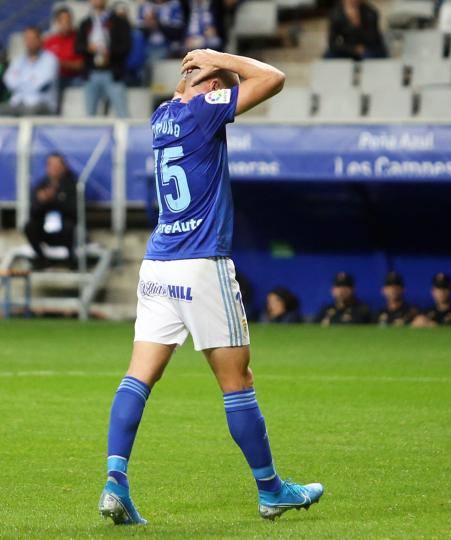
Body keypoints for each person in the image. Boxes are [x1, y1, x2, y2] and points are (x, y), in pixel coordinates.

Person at [97, 48, 324, 526]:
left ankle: (115, 481)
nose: (223, 89)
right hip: (201, 264)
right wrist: (219, 57)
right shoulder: (205, 111)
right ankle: (271, 491)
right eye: (217, 83)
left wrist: (198, 75)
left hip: (158, 264)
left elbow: (195, 92)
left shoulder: (162, 117)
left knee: (138, 377)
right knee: (237, 382)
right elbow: (275, 77)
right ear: (204, 86)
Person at [75, 0, 132, 117]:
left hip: (112, 73)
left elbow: (126, 47)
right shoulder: (85, 23)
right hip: (91, 73)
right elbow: (77, 47)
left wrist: (109, 52)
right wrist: (88, 48)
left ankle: (124, 135)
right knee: (90, 115)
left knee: (122, 113)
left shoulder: (119, 21)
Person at [24, 153, 77, 269]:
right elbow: (33, 212)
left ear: (64, 167)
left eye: (57, 166)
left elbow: (74, 211)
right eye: (50, 165)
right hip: (46, 229)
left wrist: (56, 199)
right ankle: (42, 259)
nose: (53, 169)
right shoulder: (41, 185)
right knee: (29, 226)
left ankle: (71, 260)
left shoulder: (72, 185)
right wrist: (42, 201)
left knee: (70, 226)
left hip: (64, 230)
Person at [0, 26, 59, 116]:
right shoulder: (18, 60)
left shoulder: (50, 60)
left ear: (40, 40)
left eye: (33, 38)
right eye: (27, 38)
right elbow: (9, 82)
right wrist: (30, 80)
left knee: (29, 112)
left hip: (42, 104)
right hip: (18, 102)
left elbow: (39, 85)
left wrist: (19, 82)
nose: (30, 42)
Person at [44, 7, 85, 89]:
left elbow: (82, 65)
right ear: (57, 22)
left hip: (75, 78)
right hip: (55, 78)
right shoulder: (49, 42)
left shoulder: (79, 39)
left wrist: (61, 63)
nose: (66, 23)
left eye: (69, 20)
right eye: (63, 20)